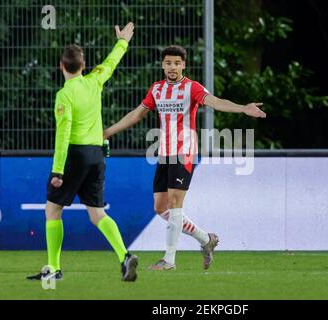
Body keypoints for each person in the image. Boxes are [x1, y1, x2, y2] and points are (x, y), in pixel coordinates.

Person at [104, 45, 266, 270]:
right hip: (164, 154)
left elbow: (216, 102)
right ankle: (205, 239)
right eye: (168, 63)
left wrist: (242, 108)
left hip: (184, 151)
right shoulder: (157, 89)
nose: (172, 67)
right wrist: (107, 132)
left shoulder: (192, 88)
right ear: (162, 65)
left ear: (184, 65)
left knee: (174, 203)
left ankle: (169, 260)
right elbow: (137, 114)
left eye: (177, 63)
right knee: (161, 208)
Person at [27, 22, 138, 282]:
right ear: (84, 65)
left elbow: (63, 134)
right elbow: (111, 63)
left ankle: (53, 269)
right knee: (97, 213)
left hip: (74, 156)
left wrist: (57, 169)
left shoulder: (64, 95)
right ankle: (124, 256)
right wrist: (123, 41)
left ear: (61, 66)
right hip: (97, 155)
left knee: (52, 211)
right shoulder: (94, 81)